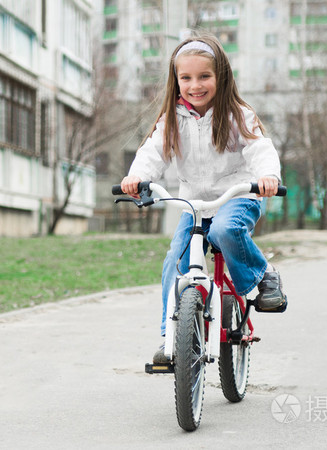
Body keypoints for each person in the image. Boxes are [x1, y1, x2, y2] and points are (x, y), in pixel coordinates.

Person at [119, 34, 286, 363]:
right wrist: (137, 178)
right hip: (194, 207)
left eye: (204, 76)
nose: (195, 85)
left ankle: (262, 274)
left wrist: (267, 177)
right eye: (186, 78)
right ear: (176, 80)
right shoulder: (171, 121)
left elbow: (260, 149)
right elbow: (152, 154)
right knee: (175, 263)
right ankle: (172, 340)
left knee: (225, 230)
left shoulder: (237, 115)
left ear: (221, 77)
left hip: (238, 197)